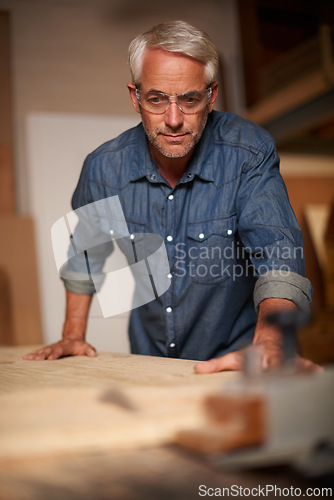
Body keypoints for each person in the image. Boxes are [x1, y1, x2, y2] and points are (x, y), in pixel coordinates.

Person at [24, 20, 320, 373]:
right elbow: (84, 257)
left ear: (211, 95)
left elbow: (279, 255)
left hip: (237, 361)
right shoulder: (103, 169)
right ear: (135, 97)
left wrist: (271, 343)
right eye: (156, 99)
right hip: (149, 363)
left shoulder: (248, 153)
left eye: (190, 99)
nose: (174, 119)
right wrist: (73, 334)